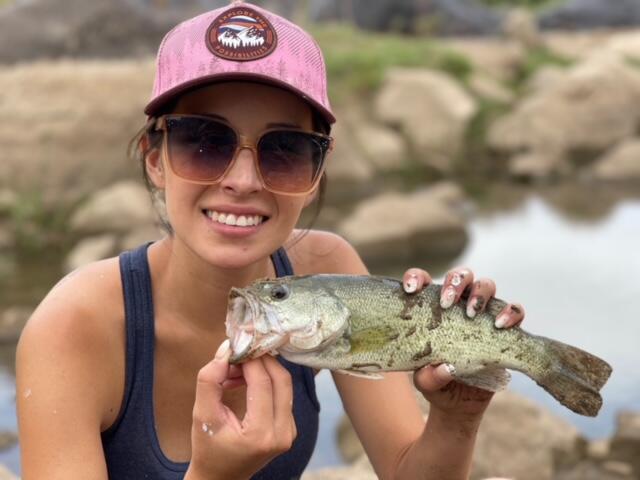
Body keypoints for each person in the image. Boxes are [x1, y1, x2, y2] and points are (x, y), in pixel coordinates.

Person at [16, 2, 526, 479]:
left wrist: (457, 415)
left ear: (316, 176)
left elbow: (406, 469)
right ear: (156, 160)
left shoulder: (328, 268)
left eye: (284, 150)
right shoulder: (74, 327)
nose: (243, 180)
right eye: (203, 141)